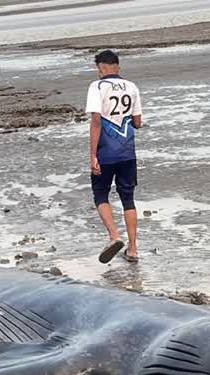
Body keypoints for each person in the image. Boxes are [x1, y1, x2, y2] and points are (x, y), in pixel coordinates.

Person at [85, 49, 143, 264]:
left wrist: (92, 155)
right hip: (128, 152)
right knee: (128, 199)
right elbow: (137, 122)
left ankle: (114, 236)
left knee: (100, 194)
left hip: (106, 152)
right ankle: (134, 248)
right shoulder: (132, 86)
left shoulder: (96, 87)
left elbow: (96, 121)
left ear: (100, 67)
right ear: (117, 66)